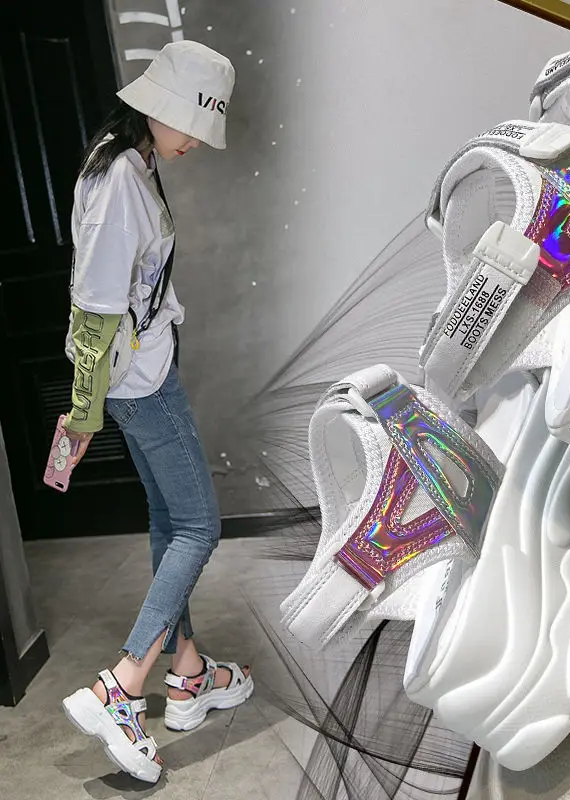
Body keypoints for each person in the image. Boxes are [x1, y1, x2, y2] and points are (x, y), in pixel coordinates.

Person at [60, 41, 252, 784]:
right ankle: (122, 686)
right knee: (200, 526)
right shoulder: (119, 181)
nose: (196, 140)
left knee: (171, 522)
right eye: (191, 122)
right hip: (142, 383)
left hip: (143, 371)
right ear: (158, 106)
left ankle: (190, 672)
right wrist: (82, 414)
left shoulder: (127, 161)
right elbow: (95, 308)